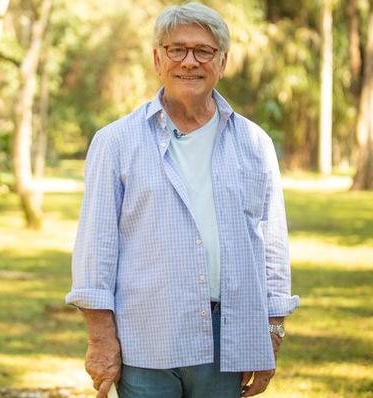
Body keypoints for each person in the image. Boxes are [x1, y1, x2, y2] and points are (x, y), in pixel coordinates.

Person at [65, 3, 300, 397]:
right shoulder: (116, 142)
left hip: (228, 340)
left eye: (203, 51)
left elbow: (272, 244)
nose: (189, 61)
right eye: (177, 50)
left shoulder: (255, 144)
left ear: (222, 62)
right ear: (158, 59)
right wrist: (100, 338)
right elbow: (96, 248)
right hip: (144, 339)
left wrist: (272, 330)